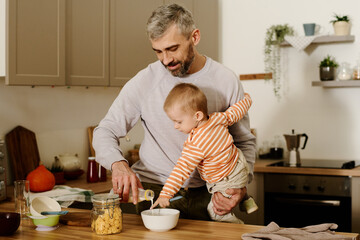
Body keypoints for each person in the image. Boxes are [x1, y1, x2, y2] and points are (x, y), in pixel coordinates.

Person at [92, 3, 256, 220]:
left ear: (194, 37)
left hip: (208, 194)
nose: (166, 60)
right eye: (158, 51)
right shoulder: (144, 81)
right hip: (154, 191)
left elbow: (244, 142)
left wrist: (239, 186)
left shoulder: (225, 80)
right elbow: (105, 130)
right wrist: (119, 164)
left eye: (172, 49)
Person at [150, 83, 257, 223]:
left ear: (197, 116)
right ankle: (247, 201)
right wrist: (247, 99)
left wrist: (166, 194)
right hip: (238, 164)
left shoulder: (197, 143)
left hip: (224, 178)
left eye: (178, 122)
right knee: (237, 183)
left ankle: (237, 230)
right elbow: (236, 111)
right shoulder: (218, 118)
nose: (175, 126)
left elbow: (182, 168)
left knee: (215, 211)